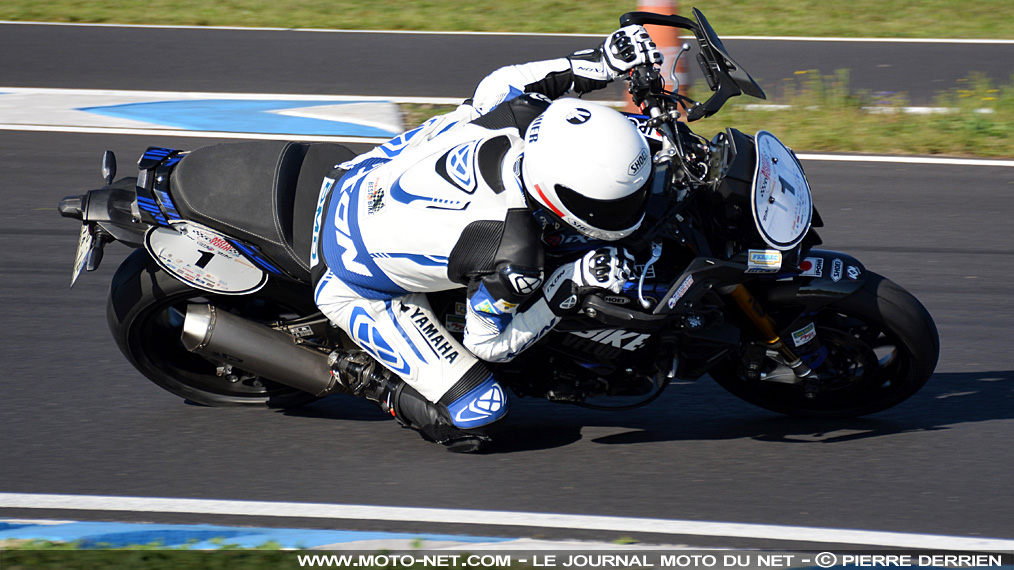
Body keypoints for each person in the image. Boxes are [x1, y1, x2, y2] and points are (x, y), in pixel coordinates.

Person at [310, 25, 662, 452]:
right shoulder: (515, 254)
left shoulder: (523, 116)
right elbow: (490, 345)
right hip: (353, 282)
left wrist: (605, 61)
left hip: (360, 178)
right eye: (614, 205)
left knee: (469, 114)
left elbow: (507, 80)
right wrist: (566, 285)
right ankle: (368, 378)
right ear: (560, 200)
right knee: (480, 412)